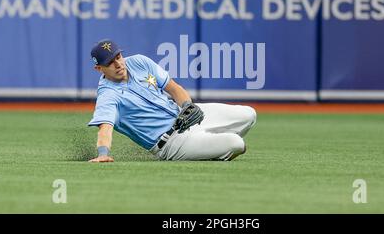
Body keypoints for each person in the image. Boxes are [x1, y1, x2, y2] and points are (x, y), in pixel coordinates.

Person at [87, 39, 257, 162]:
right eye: (110, 62)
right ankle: (214, 145)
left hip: (184, 118)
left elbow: (174, 88)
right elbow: (105, 128)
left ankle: (210, 145)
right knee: (236, 143)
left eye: (118, 56)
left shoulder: (138, 62)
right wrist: (103, 153)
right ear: (99, 68)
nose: (118, 64)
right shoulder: (107, 95)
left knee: (249, 114)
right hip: (171, 143)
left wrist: (188, 106)